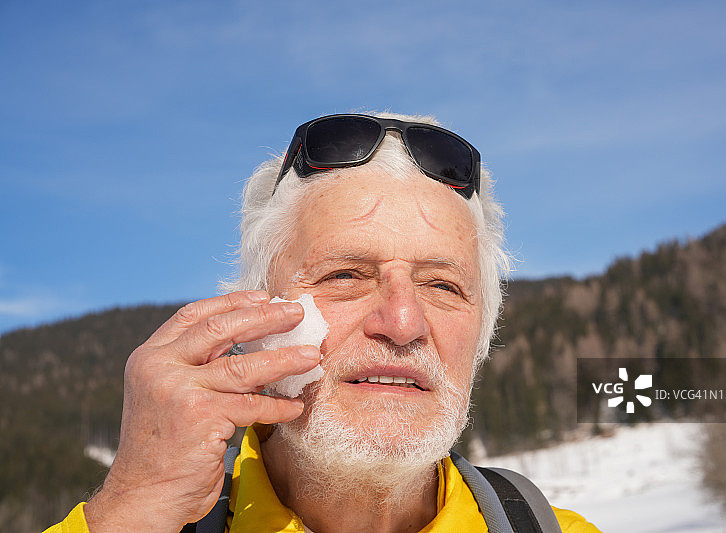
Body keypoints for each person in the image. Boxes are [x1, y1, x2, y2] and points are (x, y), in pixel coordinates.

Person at [47, 112, 601, 532]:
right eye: (345, 276)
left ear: (482, 333)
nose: (403, 323)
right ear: (254, 317)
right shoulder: (152, 520)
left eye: (442, 285)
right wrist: (136, 503)